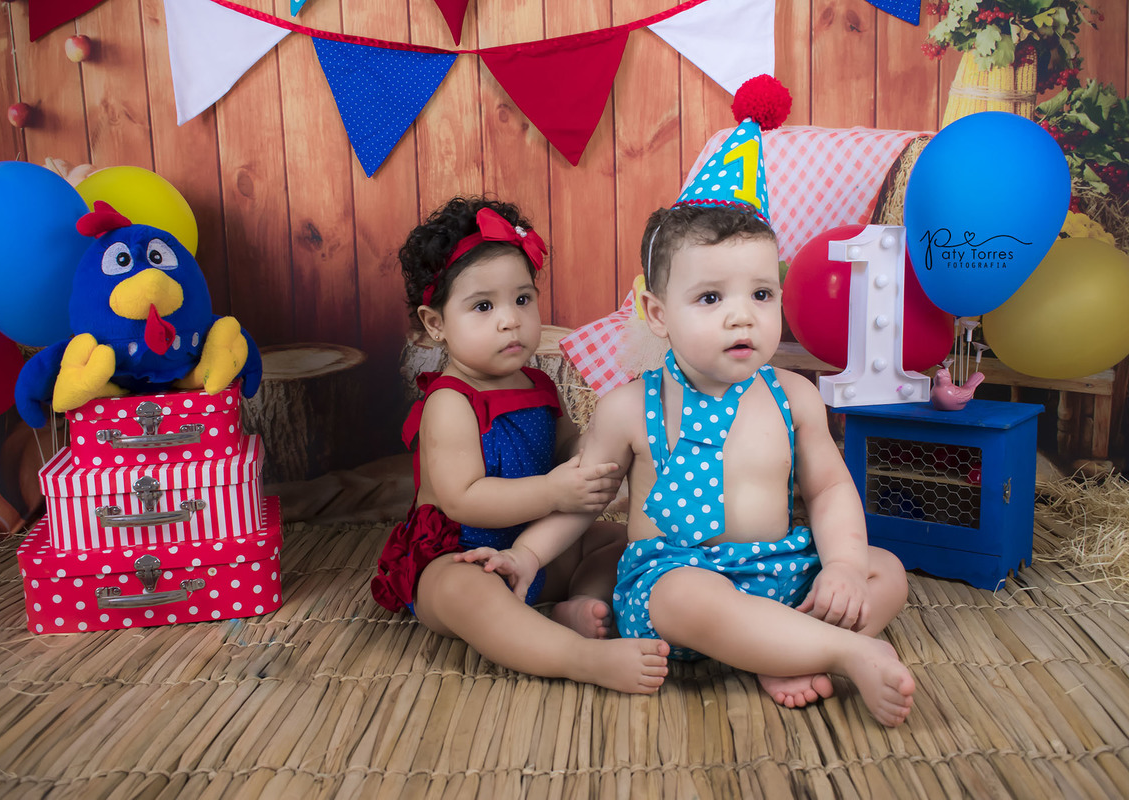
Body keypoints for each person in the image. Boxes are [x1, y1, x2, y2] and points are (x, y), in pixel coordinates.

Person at [457, 121, 916, 727]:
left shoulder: (794, 397)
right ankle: (837, 649)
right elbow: (581, 502)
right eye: (710, 298)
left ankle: (778, 646)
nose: (741, 317)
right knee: (682, 595)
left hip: (776, 568)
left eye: (760, 294)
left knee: (887, 571)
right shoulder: (628, 407)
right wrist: (524, 555)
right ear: (657, 313)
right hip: (677, 584)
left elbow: (829, 489)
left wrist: (844, 567)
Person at [371, 196, 670, 694]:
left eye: (522, 300)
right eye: (483, 306)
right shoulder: (450, 401)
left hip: (536, 549)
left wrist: (604, 442)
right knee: (466, 592)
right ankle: (578, 657)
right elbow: (463, 498)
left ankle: (581, 602)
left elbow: (567, 448)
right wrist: (554, 492)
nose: (510, 319)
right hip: (463, 553)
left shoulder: (539, 384)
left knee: (625, 543)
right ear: (436, 323)